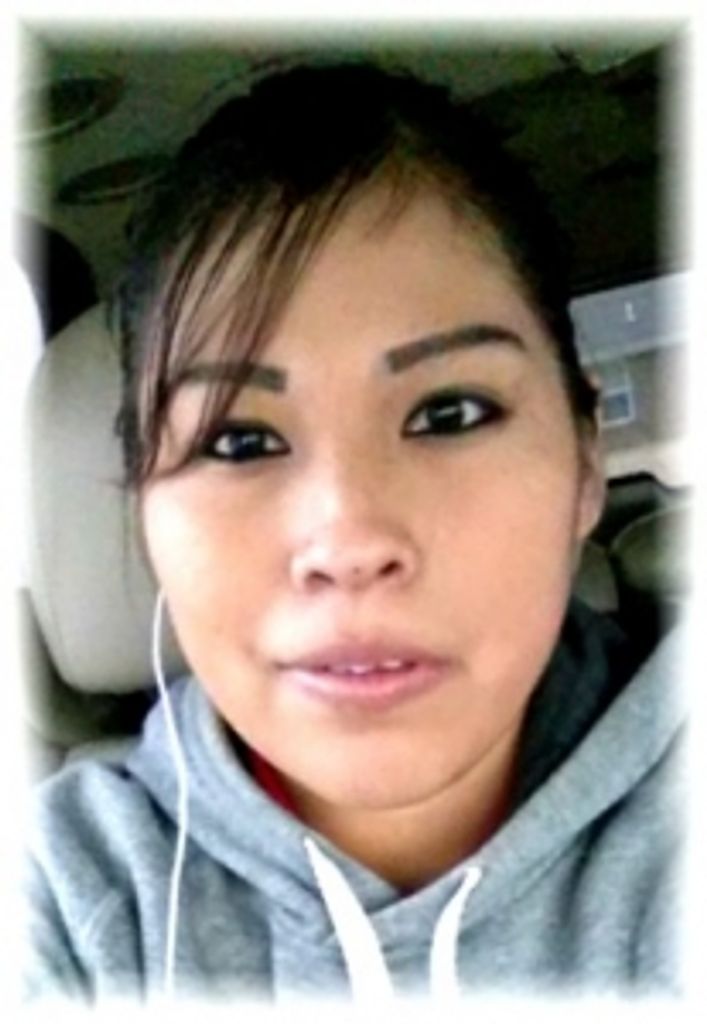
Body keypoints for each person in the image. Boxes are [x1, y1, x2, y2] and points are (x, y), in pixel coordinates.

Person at [25, 60, 685, 1005]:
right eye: (239, 441)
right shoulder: (63, 898)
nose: (348, 543)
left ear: (586, 460)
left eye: (449, 414)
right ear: (143, 513)